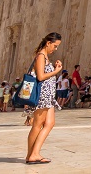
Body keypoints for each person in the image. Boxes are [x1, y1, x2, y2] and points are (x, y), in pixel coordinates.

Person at [25, 32, 63, 165]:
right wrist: (56, 71)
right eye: (55, 46)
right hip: (42, 95)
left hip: (49, 95)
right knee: (37, 125)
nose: (55, 49)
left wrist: (55, 67)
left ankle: (33, 153)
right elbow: (41, 76)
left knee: (50, 123)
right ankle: (32, 154)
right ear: (48, 43)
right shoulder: (41, 55)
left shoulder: (45, 56)